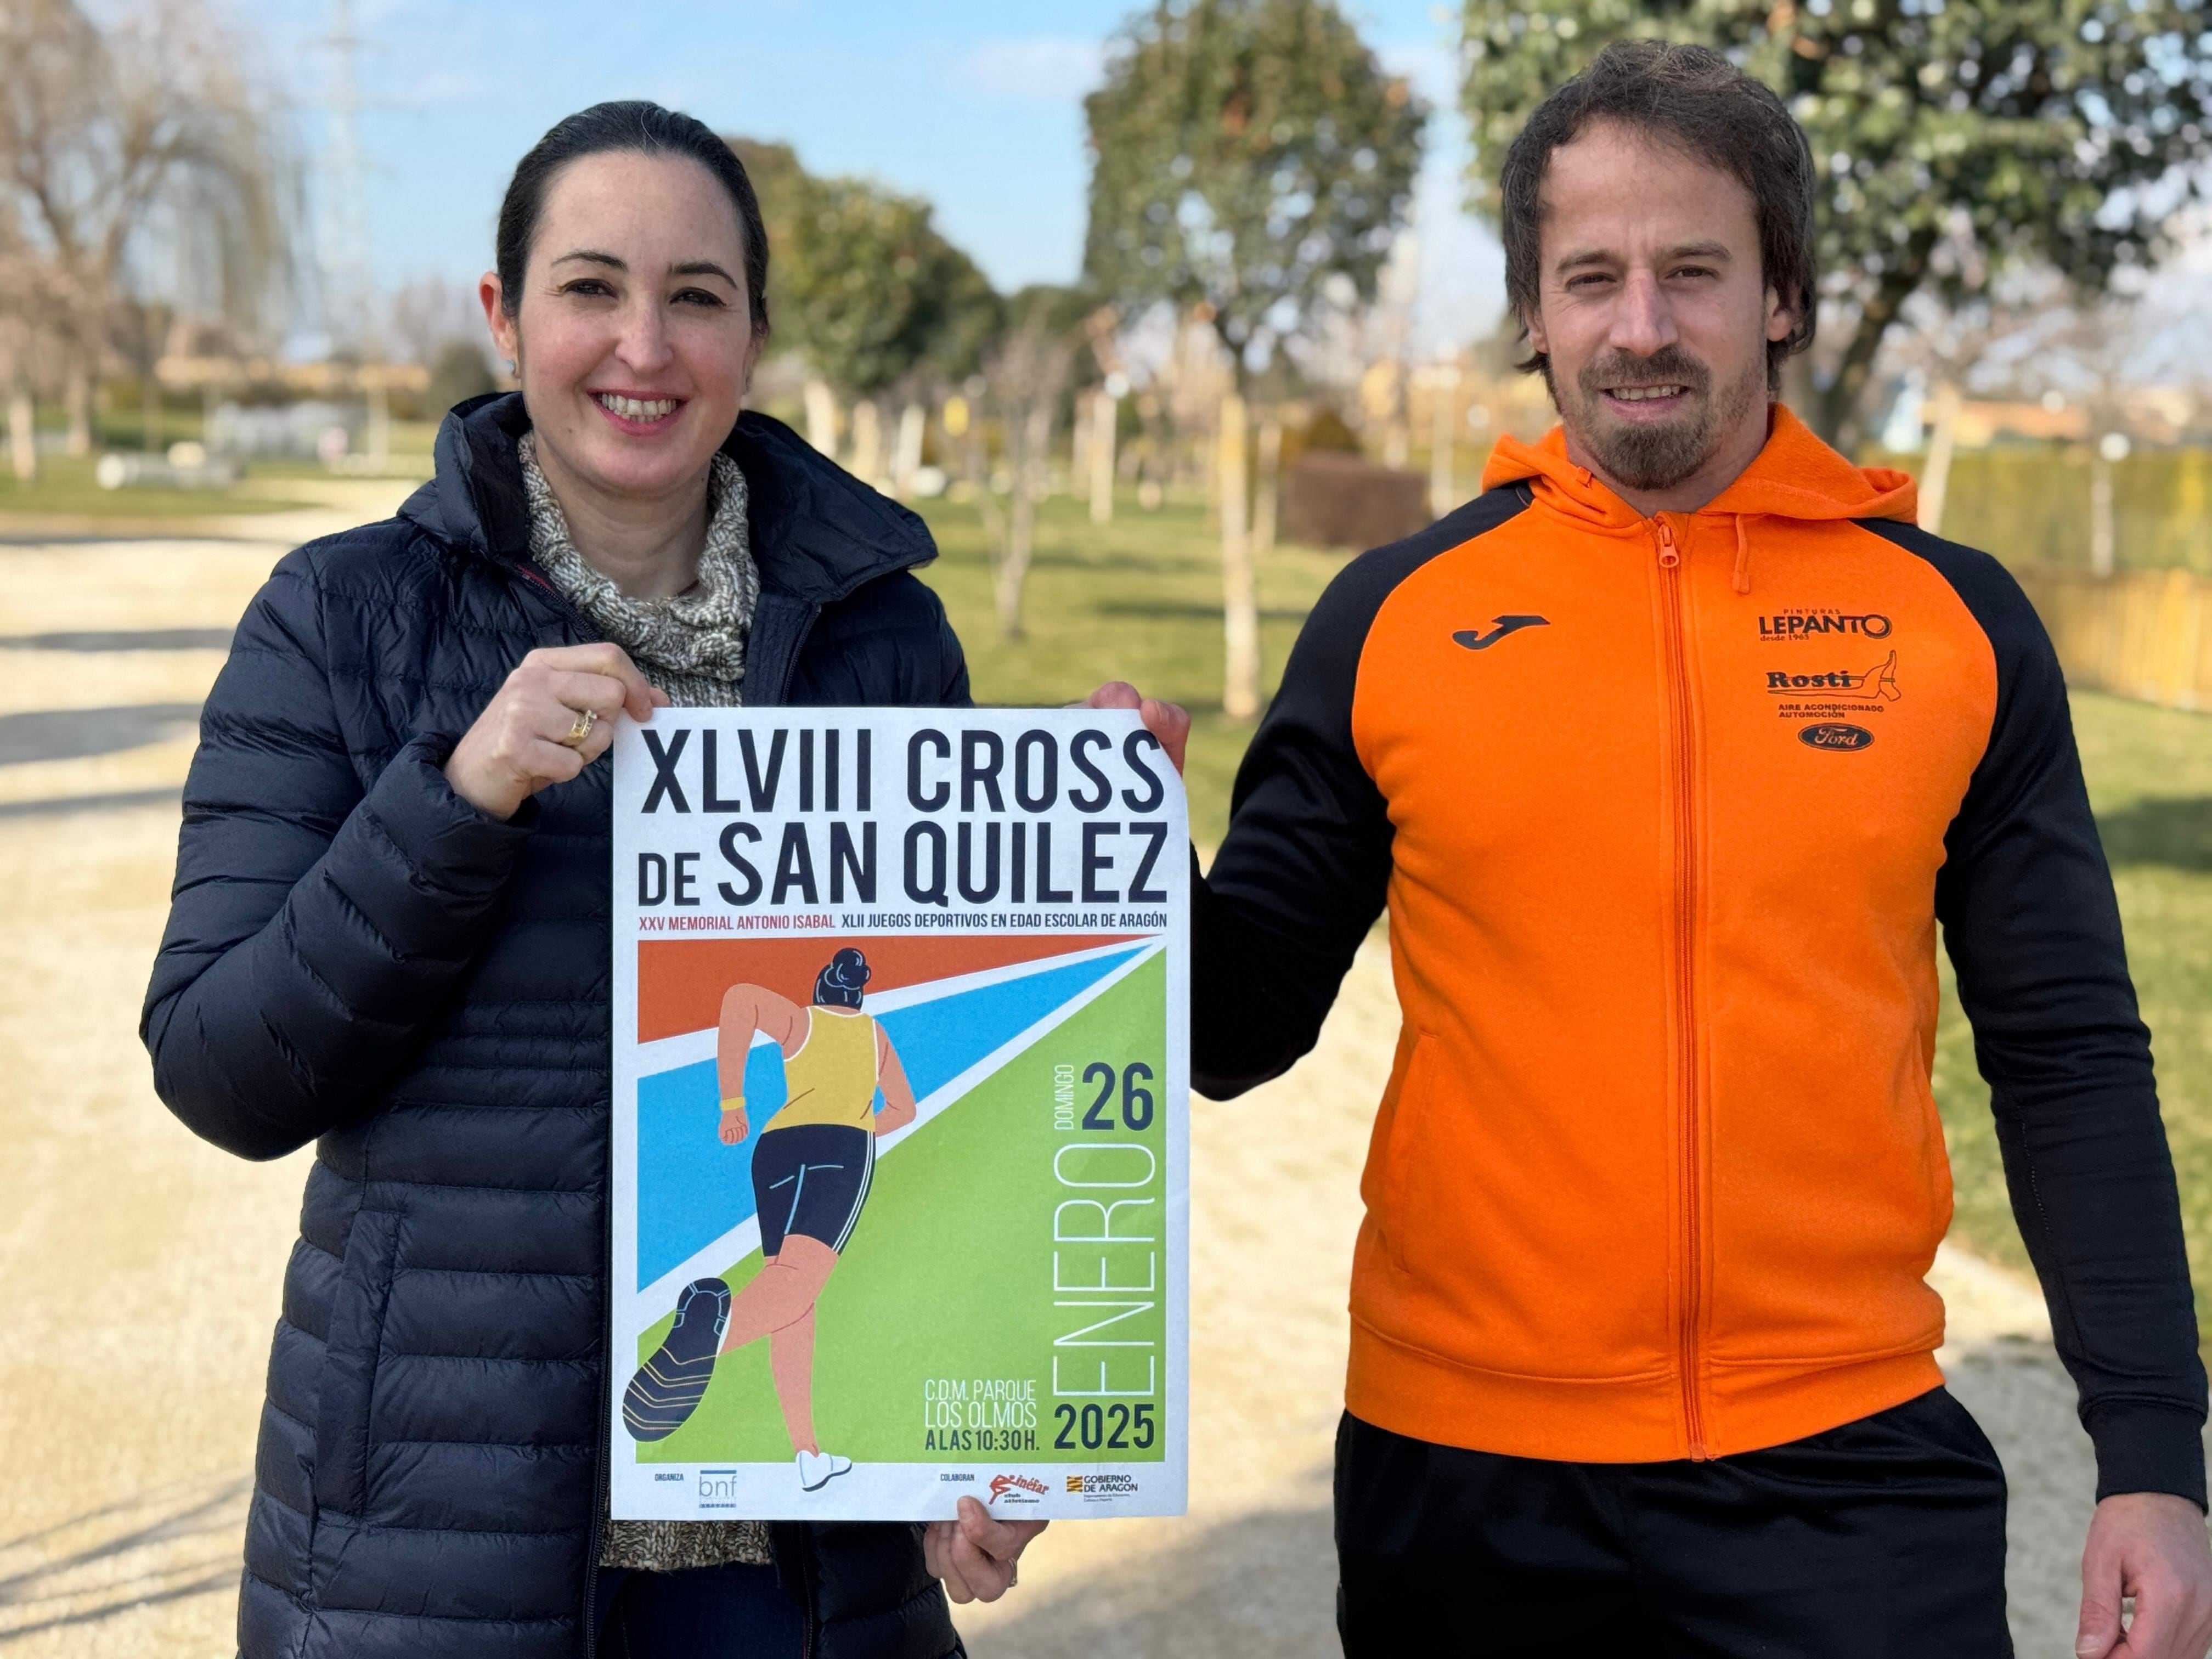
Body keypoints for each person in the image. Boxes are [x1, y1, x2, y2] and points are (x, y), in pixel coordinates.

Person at [1098, 40, 2212, 1659]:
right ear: (1534, 310)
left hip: (1848, 1468)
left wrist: (2156, 1459)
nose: (1639, 326)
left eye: (1693, 271)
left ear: (1781, 294)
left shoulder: (1959, 624)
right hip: (1463, 1473)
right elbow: (1233, 1030)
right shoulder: (1393, 618)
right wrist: (1121, 857)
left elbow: (2067, 1056)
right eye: (1592, 277)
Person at [142, 100, 1037, 1659]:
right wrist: (454, 799)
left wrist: (955, 1439)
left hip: (801, 1566)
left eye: (697, 295)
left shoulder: (887, 643)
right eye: (591, 287)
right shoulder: (340, 620)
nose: (645, 343)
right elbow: (223, 1069)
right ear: (505, 320)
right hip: (437, 1541)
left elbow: (966, 1087)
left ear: (754, 336)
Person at [623, 947, 918, 1497]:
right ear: (858, 996)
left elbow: (739, 1000)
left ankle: (807, 1453)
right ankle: (711, 1335)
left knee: (792, 1295)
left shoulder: (802, 1022)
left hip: (777, 1150)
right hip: (840, 1148)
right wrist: (855, 1123)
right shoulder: (873, 1037)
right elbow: (904, 1109)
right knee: (795, 1288)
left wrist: (733, 1103)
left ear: (822, 989)